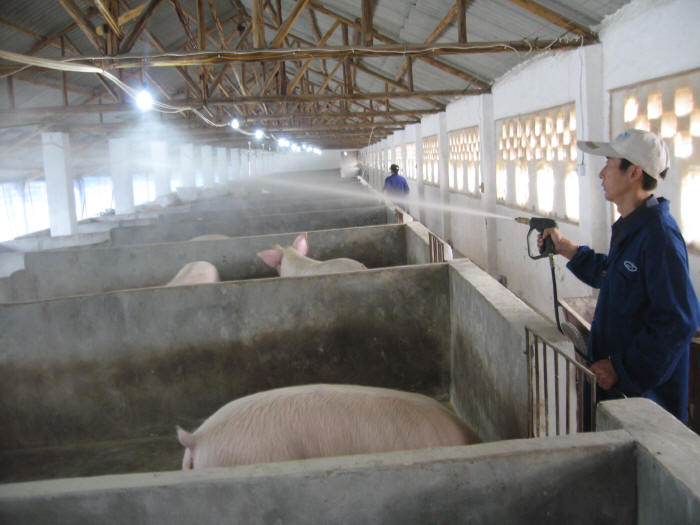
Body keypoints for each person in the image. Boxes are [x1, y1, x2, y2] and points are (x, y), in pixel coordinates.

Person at [540, 129, 699, 424]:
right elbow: (614, 274)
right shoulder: (632, 227)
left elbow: (680, 319)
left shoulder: (660, 236)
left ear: (634, 173)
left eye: (608, 164)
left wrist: (621, 368)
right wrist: (566, 248)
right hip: (619, 391)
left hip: (644, 402)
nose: (601, 173)